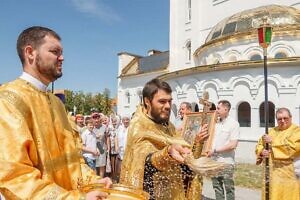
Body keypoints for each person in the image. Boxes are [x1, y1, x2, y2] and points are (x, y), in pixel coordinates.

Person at [0, 26, 111, 199]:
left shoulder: (56, 103)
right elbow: (15, 177)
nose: (62, 58)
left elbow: (72, 160)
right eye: (54, 51)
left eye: (62, 52)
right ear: (30, 53)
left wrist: (95, 182)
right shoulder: (8, 100)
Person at [120, 78, 209, 200]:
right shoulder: (138, 125)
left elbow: (186, 159)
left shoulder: (169, 126)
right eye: (162, 101)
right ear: (147, 101)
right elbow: (144, 159)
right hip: (152, 194)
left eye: (169, 101)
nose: (168, 106)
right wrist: (167, 153)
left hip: (174, 192)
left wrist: (198, 141)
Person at [255, 107, 300, 200]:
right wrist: (262, 152)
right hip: (271, 174)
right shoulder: (272, 131)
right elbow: (260, 144)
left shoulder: (296, 131)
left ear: (291, 117)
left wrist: (273, 142)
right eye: (279, 119)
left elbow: (293, 148)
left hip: (288, 174)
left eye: (285, 118)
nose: (282, 121)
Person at [207, 100, 240, 200]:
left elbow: (233, 144)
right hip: (214, 161)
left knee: (229, 188)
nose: (216, 110)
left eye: (218, 108)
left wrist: (215, 150)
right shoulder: (214, 123)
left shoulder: (233, 124)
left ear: (226, 109)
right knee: (217, 187)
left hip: (226, 162)